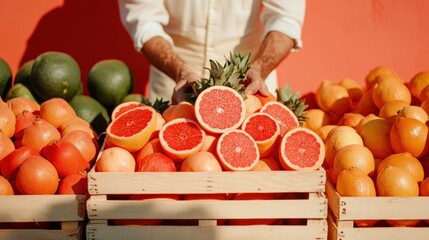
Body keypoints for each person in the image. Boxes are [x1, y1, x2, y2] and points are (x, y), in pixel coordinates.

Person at [118, 0, 305, 104]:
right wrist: (179, 71)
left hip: (251, 85)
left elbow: (286, 18)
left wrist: (259, 68)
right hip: (174, 85)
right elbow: (144, 21)